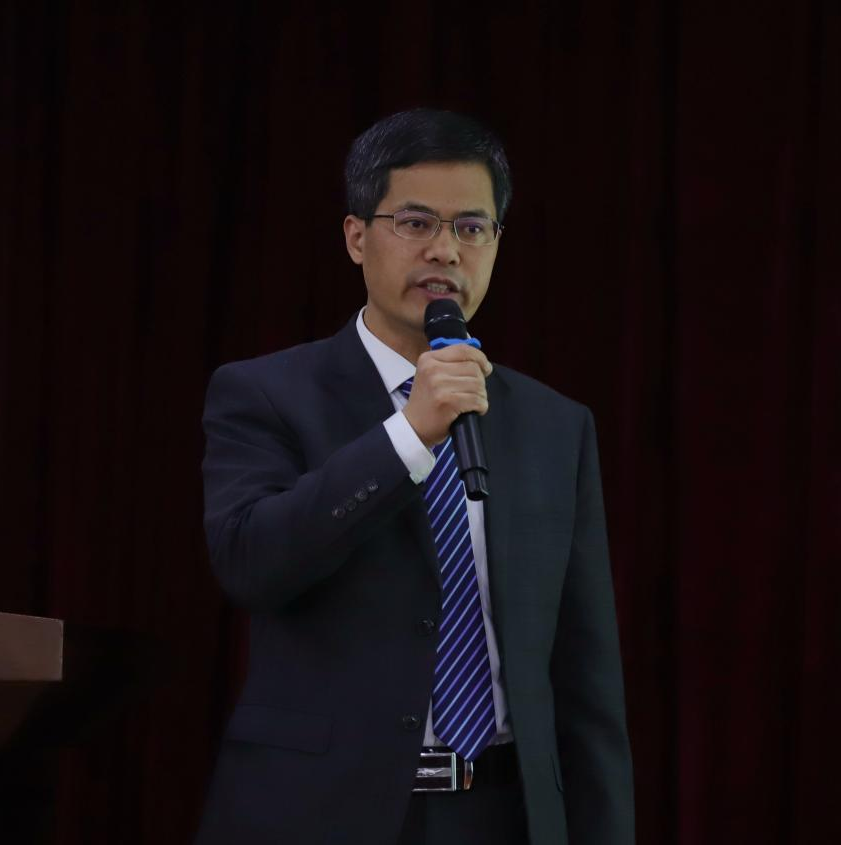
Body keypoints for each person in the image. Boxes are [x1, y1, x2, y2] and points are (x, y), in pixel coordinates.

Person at [196, 108, 633, 845]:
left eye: (471, 227)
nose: (444, 250)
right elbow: (252, 562)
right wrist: (409, 433)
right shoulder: (265, 393)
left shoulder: (556, 425)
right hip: (321, 814)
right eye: (416, 222)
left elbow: (586, 675)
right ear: (356, 237)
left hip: (504, 813)